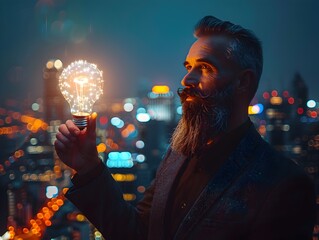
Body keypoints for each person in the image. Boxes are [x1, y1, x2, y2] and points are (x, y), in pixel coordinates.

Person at [55, 16, 316, 240]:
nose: (186, 79)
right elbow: (137, 233)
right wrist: (89, 167)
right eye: (189, 67)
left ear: (243, 82)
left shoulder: (283, 185)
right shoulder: (177, 156)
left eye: (205, 68)